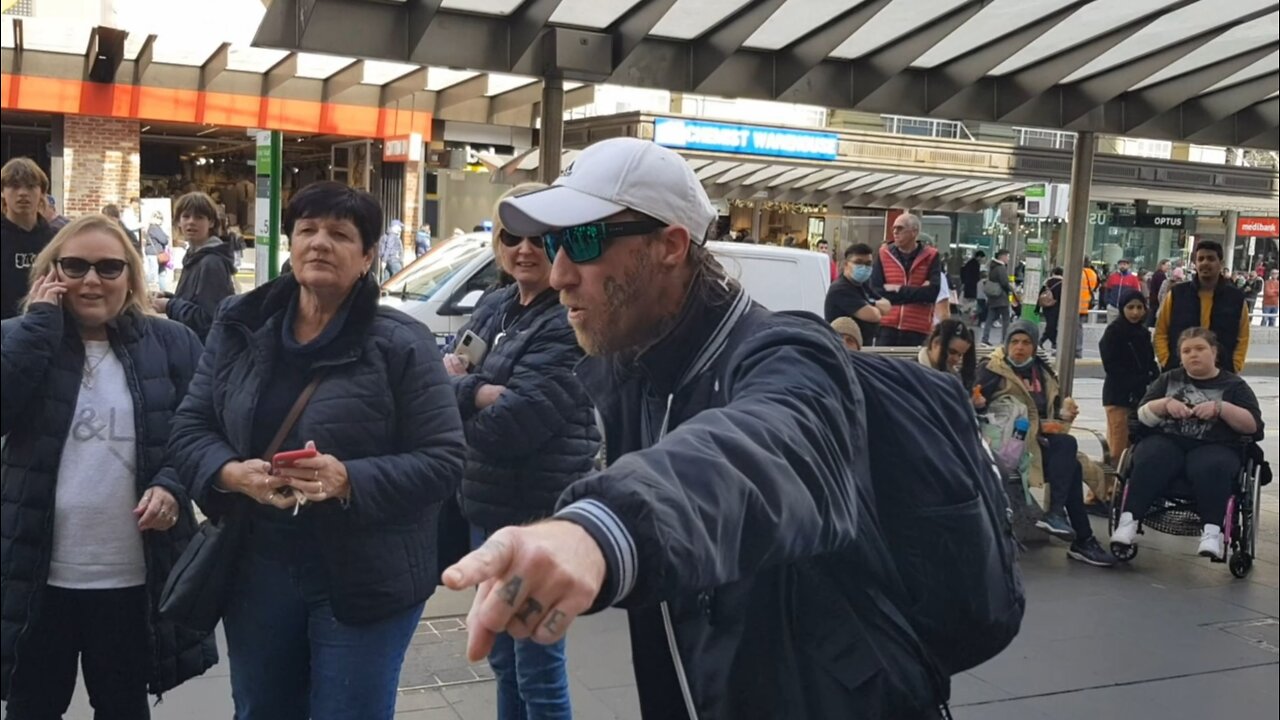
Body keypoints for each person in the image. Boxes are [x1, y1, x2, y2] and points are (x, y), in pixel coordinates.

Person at [442, 137, 943, 718]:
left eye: (581, 240)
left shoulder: (791, 350)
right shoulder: (633, 366)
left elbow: (761, 450)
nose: (558, 274)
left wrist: (604, 527)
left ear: (670, 246)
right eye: (553, 243)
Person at [168, 182, 467, 719]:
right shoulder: (241, 323)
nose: (319, 243)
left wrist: (346, 478)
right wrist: (233, 474)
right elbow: (191, 425)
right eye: (306, 230)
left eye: (339, 233)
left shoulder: (402, 342)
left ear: (369, 255)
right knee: (262, 709)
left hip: (366, 574)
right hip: (259, 566)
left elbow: (444, 461)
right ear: (290, 243)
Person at [1, 215, 216, 715]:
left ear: (132, 277)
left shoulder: (174, 343)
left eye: (108, 267)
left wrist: (171, 485)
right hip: (36, 578)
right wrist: (38, 328)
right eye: (74, 266)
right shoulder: (18, 339)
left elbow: (201, 433)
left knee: (122, 707)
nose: (91, 280)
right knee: (33, 707)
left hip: (132, 579)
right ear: (50, 273)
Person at [441, 183, 601, 720]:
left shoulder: (568, 317)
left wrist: (463, 388)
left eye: (542, 237)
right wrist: (476, 393)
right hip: (486, 510)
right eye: (513, 236)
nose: (525, 249)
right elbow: (439, 386)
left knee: (538, 669)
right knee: (504, 660)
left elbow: (512, 427)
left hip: (536, 516)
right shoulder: (497, 303)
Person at [1111, 328, 1264, 560]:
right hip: (1168, 441)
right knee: (1151, 456)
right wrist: (1163, 405)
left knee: (1212, 465)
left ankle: (1212, 532)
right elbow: (1138, 418)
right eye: (1186, 351)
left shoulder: (1235, 386)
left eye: (1200, 349)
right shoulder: (1168, 379)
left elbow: (1253, 426)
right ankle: (1128, 522)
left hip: (1217, 445)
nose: (1193, 355)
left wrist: (1221, 408)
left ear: (1214, 352)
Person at [976, 320, 1116, 567]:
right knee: (1070, 459)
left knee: (1068, 453)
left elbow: (1053, 421)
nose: (1019, 347)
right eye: (1014, 342)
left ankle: (1068, 525)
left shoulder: (1043, 373)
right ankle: (1078, 534)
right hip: (1004, 449)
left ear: (1034, 345)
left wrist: (1063, 417)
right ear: (1006, 344)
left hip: (1036, 447)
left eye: (1026, 342)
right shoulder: (991, 370)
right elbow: (975, 410)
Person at [151, 191, 236, 341]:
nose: (191, 222)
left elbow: (209, 319)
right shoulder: (194, 255)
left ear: (211, 222)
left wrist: (170, 305)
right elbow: (194, 302)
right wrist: (168, 297)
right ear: (178, 221)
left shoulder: (211, 263)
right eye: (186, 216)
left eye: (199, 217)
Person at [1154, 240, 1250, 374]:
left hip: (1222, 374)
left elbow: (1243, 337)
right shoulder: (1177, 294)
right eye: (1201, 259)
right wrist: (1167, 361)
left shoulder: (1236, 298)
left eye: (1211, 258)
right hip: (1179, 372)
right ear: (1195, 264)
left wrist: (1235, 366)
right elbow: (1160, 331)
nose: (1205, 262)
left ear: (1220, 263)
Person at [1099, 290, 1160, 461]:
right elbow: (1112, 367)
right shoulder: (1114, 332)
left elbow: (1149, 362)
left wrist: (1154, 378)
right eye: (1130, 307)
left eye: (1139, 307)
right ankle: (1108, 486)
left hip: (1140, 396)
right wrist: (1137, 381)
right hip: (1119, 396)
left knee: (1131, 449)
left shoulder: (1143, 332)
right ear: (1122, 308)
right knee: (1117, 448)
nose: (1135, 312)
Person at [871, 213, 942, 346]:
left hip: (917, 328)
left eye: (900, 228)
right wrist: (918, 292)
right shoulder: (883, 254)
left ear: (914, 232)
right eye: (894, 229)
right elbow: (877, 291)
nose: (895, 232)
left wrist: (897, 289)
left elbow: (932, 293)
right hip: (887, 326)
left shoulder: (931, 256)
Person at [2, 158, 57, 320]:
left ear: (42, 192)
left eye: (31, 186)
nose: (23, 193)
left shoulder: (56, 240)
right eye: (14, 186)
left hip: (46, 327)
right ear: (2, 191)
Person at [824, 242, 891, 347]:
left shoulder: (863, 284)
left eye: (868, 264)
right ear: (846, 264)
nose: (864, 267)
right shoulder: (841, 289)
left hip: (863, 347)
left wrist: (869, 303)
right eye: (858, 262)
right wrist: (874, 305)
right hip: (844, 348)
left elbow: (887, 306)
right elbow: (874, 315)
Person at [918, 318, 977, 390]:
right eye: (952, 352)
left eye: (960, 355)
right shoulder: (912, 373)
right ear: (935, 343)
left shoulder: (955, 376)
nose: (956, 359)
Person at [982, 249, 1013, 345]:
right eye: (1007, 256)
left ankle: (985, 338)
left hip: (993, 297)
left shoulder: (992, 266)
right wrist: (1010, 289)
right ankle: (1005, 339)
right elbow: (1004, 282)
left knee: (990, 317)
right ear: (1002, 256)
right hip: (1001, 297)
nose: (1008, 259)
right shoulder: (1001, 268)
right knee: (1006, 318)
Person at [1103, 259, 1142, 324]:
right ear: (1118, 266)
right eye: (1120, 264)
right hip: (1113, 307)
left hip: (1126, 308)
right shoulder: (1113, 277)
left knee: (1125, 328)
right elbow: (1108, 290)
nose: (1122, 266)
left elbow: (1137, 293)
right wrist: (1108, 303)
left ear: (1128, 266)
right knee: (1111, 328)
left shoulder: (1133, 278)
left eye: (1124, 264)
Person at [1037, 267, 1064, 353]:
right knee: (1052, 326)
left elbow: (1041, 294)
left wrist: (1037, 308)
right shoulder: (1062, 283)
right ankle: (1043, 341)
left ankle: (1053, 343)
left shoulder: (1047, 282)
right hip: (1056, 307)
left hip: (1046, 307)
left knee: (1051, 325)